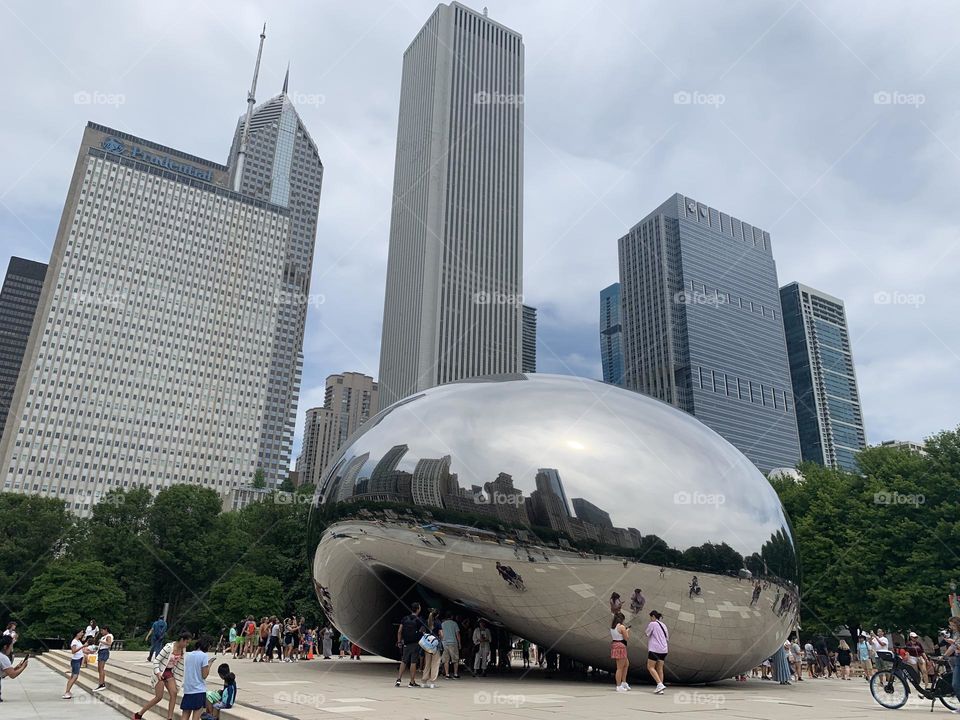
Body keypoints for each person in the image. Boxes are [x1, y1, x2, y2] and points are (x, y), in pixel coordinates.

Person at [134, 630, 191, 720]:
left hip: (169, 672)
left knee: (174, 693)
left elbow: (181, 664)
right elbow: (156, 661)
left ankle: (169, 718)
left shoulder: (183, 650)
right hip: (160, 671)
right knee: (159, 697)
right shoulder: (168, 647)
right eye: (186, 642)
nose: (187, 644)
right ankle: (139, 714)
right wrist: (158, 673)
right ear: (182, 640)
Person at [180, 636, 211, 720]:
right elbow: (204, 675)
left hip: (188, 689)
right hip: (199, 690)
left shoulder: (188, 655)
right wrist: (209, 665)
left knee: (185, 715)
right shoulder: (204, 656)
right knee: (196, 716)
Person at [395, 602, 425, 687]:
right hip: (415, 644)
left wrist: (399, 641)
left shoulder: (405, 618)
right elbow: (423, 631)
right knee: (413, 662)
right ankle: (412, 681)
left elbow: (399, 631)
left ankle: (398, 679)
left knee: (404, 661)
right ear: (418, 609)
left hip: (406, 643)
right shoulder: (419, 620)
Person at [63, 629, 95, 699]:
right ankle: (67, 692)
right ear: (77, 633)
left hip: (79, 659)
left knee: (73, 677)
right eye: (81, 633)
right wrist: (83, 646)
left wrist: (90, 652)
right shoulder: (74, 641)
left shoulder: (78, 641)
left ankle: (68, 691)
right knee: (75, 676)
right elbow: (73, 651)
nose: (82, 634)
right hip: (76, 660)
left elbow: (82, 650)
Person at [645, 610, 668, 694]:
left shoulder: (652, 624)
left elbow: (647, 633)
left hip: (655, 649)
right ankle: (660, 688)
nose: (650, 619)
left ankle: (659, 684)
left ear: (653, 617)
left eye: (651, 617)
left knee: (650, 667)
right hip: (664, 649)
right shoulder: (664, 625)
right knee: (660, 668)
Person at [420, 610, 443, 688]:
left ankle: (424, 681)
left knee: (427, 664)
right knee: (435, 664)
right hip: (435, 646)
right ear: (437, 615)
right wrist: (440, 639)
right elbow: (441, 634)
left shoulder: (426, 621)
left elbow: (422, 632)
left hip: (427, 646)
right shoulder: (438, 622)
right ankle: (432, 682)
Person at [0, 634, 27, 701]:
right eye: (11, 646)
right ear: (5, 647)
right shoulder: (3, 658)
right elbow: (12, 675)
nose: (11, 649)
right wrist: (23, 667)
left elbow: (3, 674)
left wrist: (15, 668)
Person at [611, 612, 630, 692]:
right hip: (621, 646)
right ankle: (618, 686)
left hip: (615, 645)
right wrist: (627, 631)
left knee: (626, 664)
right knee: (620, 667)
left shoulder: (613, 627)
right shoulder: (622, 627)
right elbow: (626, 638)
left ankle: (624, 682)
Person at [440, 613, 461, 679]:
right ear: (451, 616)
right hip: (453, 643)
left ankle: (447, 674)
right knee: (455, 659)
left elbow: (441, 634)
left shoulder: (442, 624)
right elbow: (457, 634)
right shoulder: (454, 623)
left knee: (446, 660)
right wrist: (459, 643)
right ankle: (455, 674)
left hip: (445, 643)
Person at [93, 625, 114, 692]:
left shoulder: (109, 636)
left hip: (104, 652)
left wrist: (101, 641)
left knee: (101, 668)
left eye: (102, 630)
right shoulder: (104, 637)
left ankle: (101, 684)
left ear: (106, 630)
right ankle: (101, 683)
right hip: (101, 651)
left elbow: (109, 643)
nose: (101, 632)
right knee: (100, 668)